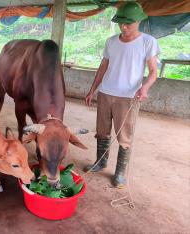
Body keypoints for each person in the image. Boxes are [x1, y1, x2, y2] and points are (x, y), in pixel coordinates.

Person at [84, 2, 160, 188]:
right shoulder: (111, 42)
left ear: (138, 21)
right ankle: (101, 162)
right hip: (106, 92)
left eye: (128, 24)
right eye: (121, 23)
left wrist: (145, 88)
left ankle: (119, 173)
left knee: (124, 136)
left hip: (128, 97)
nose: (124, 27)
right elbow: (103, 67)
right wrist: (93, 89)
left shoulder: (148, 42)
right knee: (102, 131)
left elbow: (153, 72)